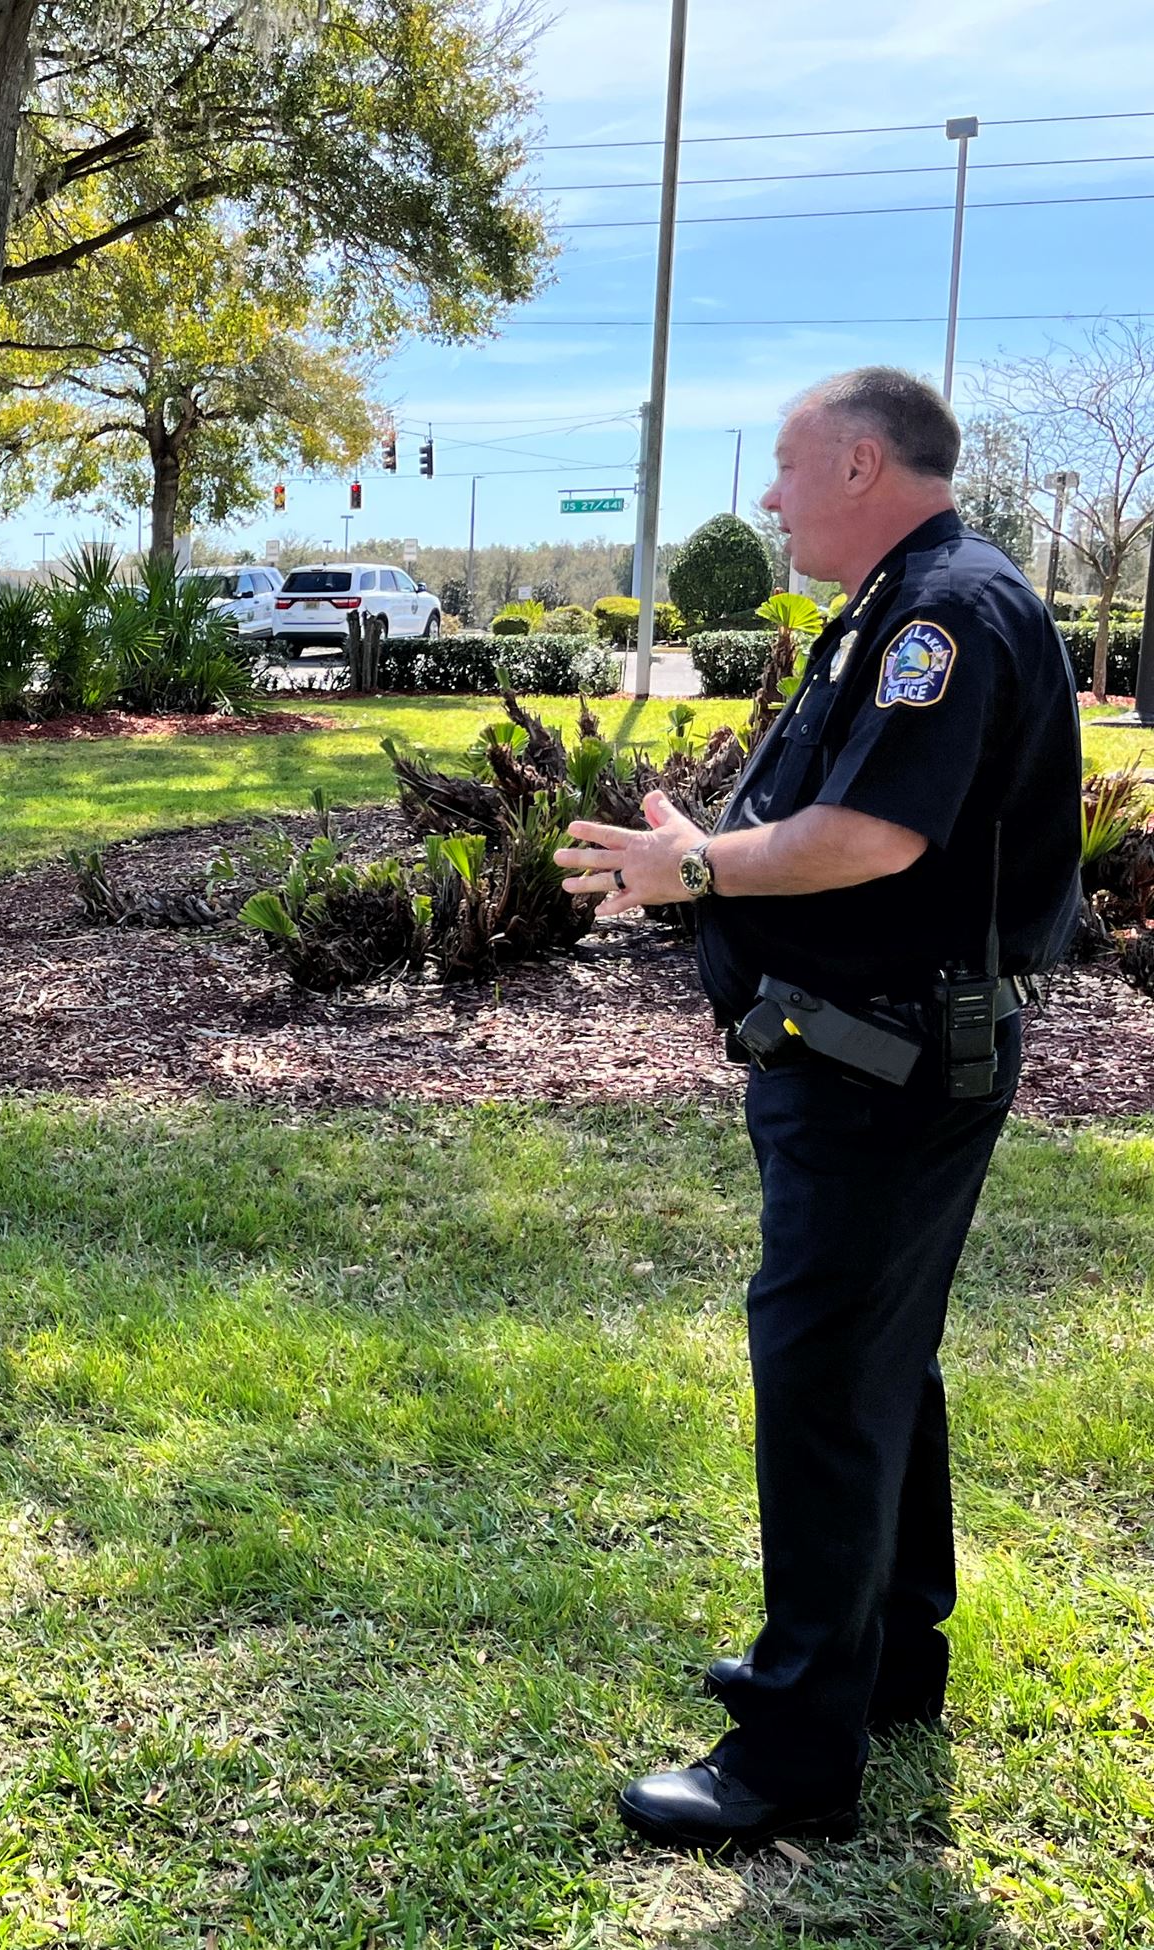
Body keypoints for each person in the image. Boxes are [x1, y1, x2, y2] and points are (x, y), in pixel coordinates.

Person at [556, 367, 1082, 1850]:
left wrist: (701, 873)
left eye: (786, 472)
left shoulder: (945, 613)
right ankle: (889, 1661)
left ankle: (795, 1749)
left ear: (863, 462)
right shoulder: (911, 597)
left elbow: (869, 836)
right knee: (880, 1361)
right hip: (870, 1053)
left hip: (882, 1062)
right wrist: (704, 847)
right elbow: (848, 821)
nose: (771, 500)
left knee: (828, 1374)